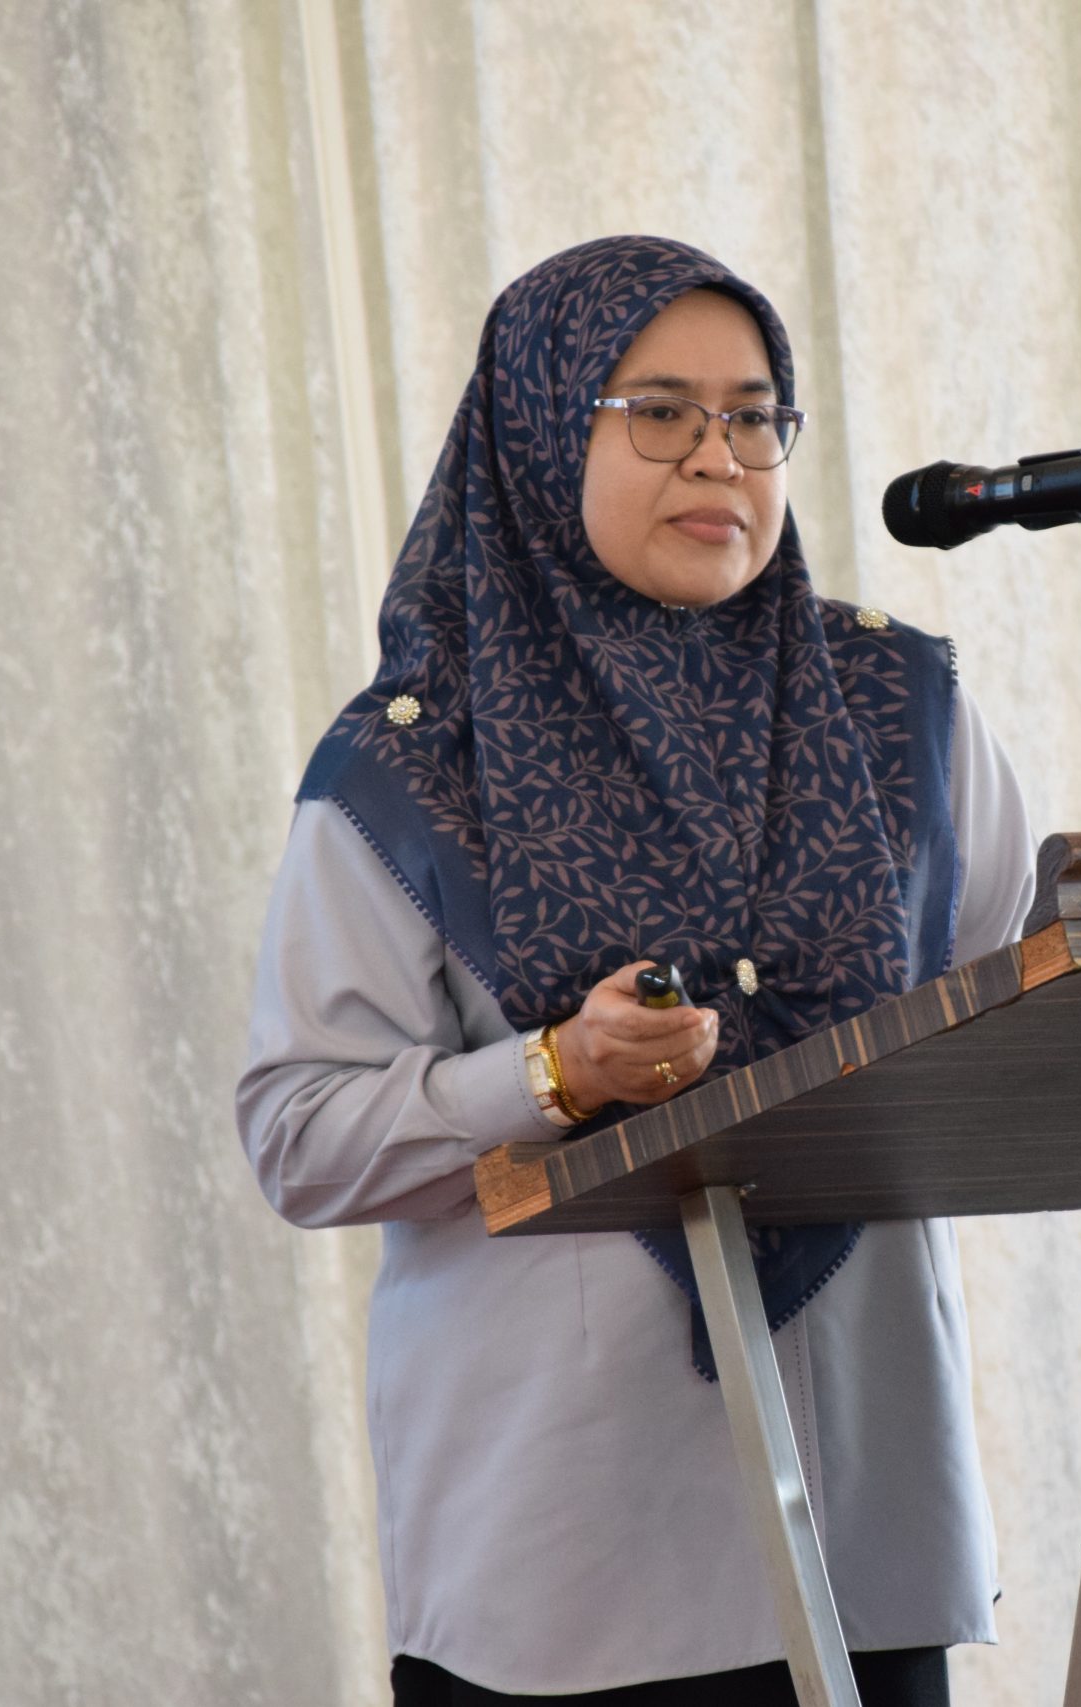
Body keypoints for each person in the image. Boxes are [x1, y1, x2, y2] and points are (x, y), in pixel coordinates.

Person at [236, 236, 1036, 1706]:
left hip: (866, 1537)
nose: (717, 456)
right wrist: (551, 1075)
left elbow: (1010, 1013)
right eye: (659, 412)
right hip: (567, 1569)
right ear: (543, 432)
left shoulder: (900, 710)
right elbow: (299, 1135)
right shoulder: (416, 763)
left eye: (753, 415)